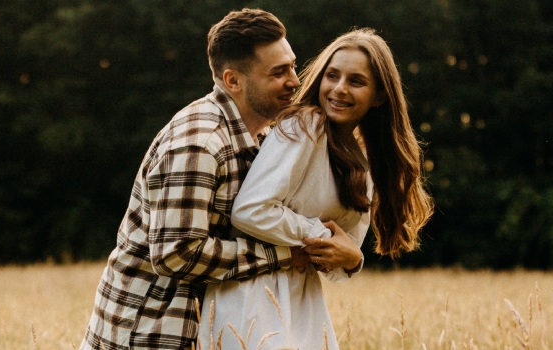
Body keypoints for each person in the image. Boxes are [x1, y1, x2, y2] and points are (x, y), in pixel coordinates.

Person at [80, 9, 361, 350]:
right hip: (149, 332)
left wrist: (347, 255)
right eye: (278, 72)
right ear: (233, 81)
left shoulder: (266, 137)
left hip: (205, 329)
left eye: (291, 65)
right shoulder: (199, 142)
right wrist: (283, 255)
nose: (295, 81)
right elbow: (176, 253)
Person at [199, 28, 435, 349]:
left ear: (380, 96)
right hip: (252, 298)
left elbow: (344, 252)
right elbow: (249, 211)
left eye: (356, 81)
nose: (338, 89)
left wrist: (352, 261)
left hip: (304, 303)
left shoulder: (362, 159)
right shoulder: (305, 124)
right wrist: (320, 237)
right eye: (332, 75)